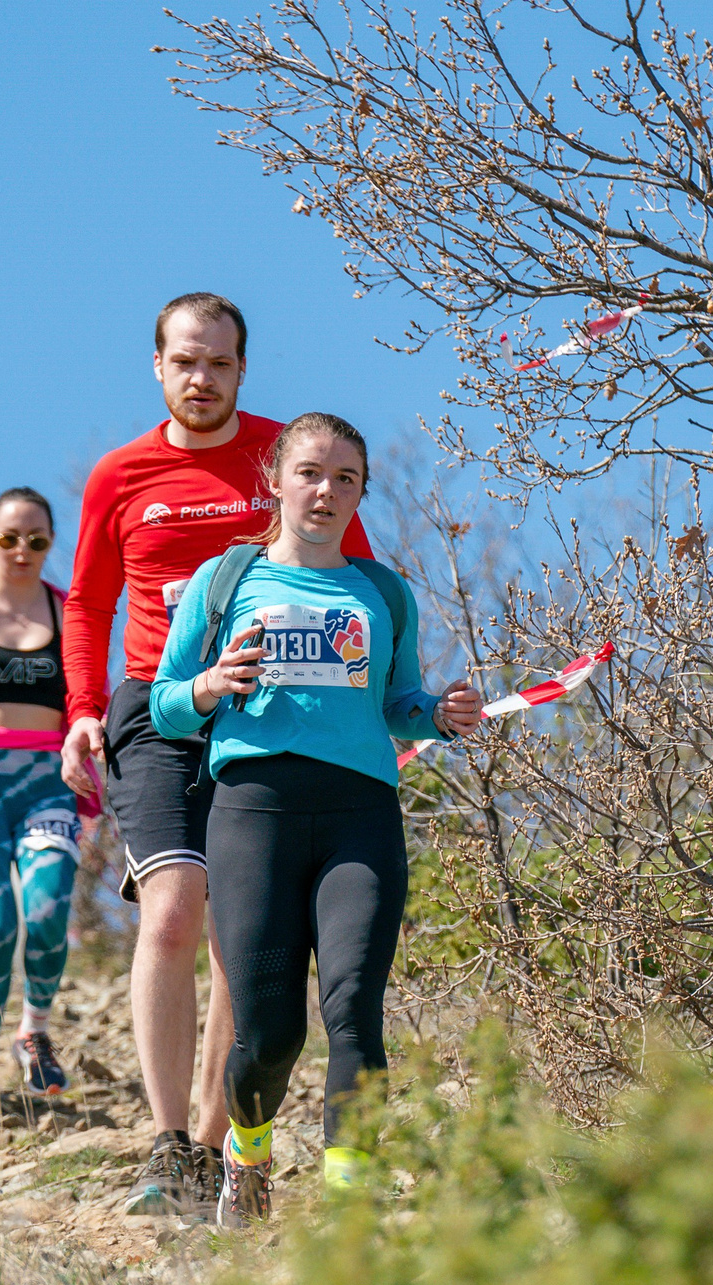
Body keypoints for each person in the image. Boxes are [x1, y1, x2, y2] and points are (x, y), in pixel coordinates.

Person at [60, 292, 376, 1218]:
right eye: (186, 362)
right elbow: (85, 602)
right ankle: (166, 1142)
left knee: (247, 937)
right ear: (158, 367)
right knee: (172, 911)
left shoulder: (288, 460)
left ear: (244, 371)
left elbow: (352, 578)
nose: (203, 379)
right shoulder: (121, 475)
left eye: (221, 364)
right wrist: (81, 711)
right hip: (158, 711)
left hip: (273, 719)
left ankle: (213, 1143)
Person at [150, 413, 484, 1226]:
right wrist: (212, 683)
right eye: (309, 472)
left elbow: (400, 704)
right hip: (253, 815)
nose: (326, 491)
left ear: (361, 491)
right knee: (267, 1033)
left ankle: (347, 1210)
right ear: (275, 477)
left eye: (345, 479)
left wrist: (441, 712)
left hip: (359, 816)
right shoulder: (226, 580)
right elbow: (164, 707)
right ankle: (248, 1151)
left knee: (354, 1012)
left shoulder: (382, 591)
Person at [0, 487, 84, 1101]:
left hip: (47, 782)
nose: (22, 551)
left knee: (49, 909)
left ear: (52, 544)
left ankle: (33, 1032)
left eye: (37, 540)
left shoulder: (68, 610)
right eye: (9, 539)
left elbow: (88, 697)